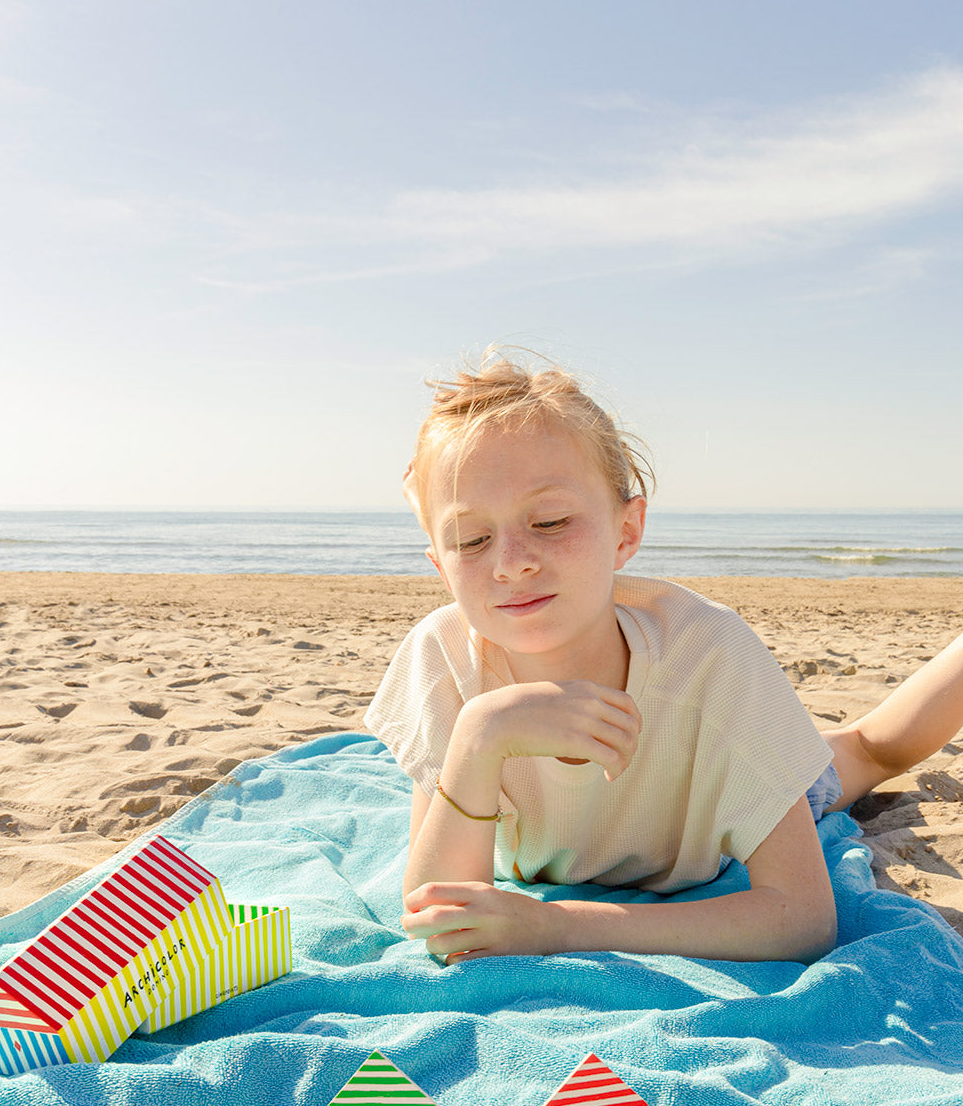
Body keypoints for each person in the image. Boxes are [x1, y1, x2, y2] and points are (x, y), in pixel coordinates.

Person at [365, 353, 963, 966]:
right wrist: (481, 735)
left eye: (550, 521)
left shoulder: (710, 654)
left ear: (627, 530)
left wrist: (559, 927)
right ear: (439, 563)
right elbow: (434, 911)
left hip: (718, 821)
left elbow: (803, 921)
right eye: (471, 538)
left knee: (870, 750)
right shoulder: (444, 656)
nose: (511, 561)